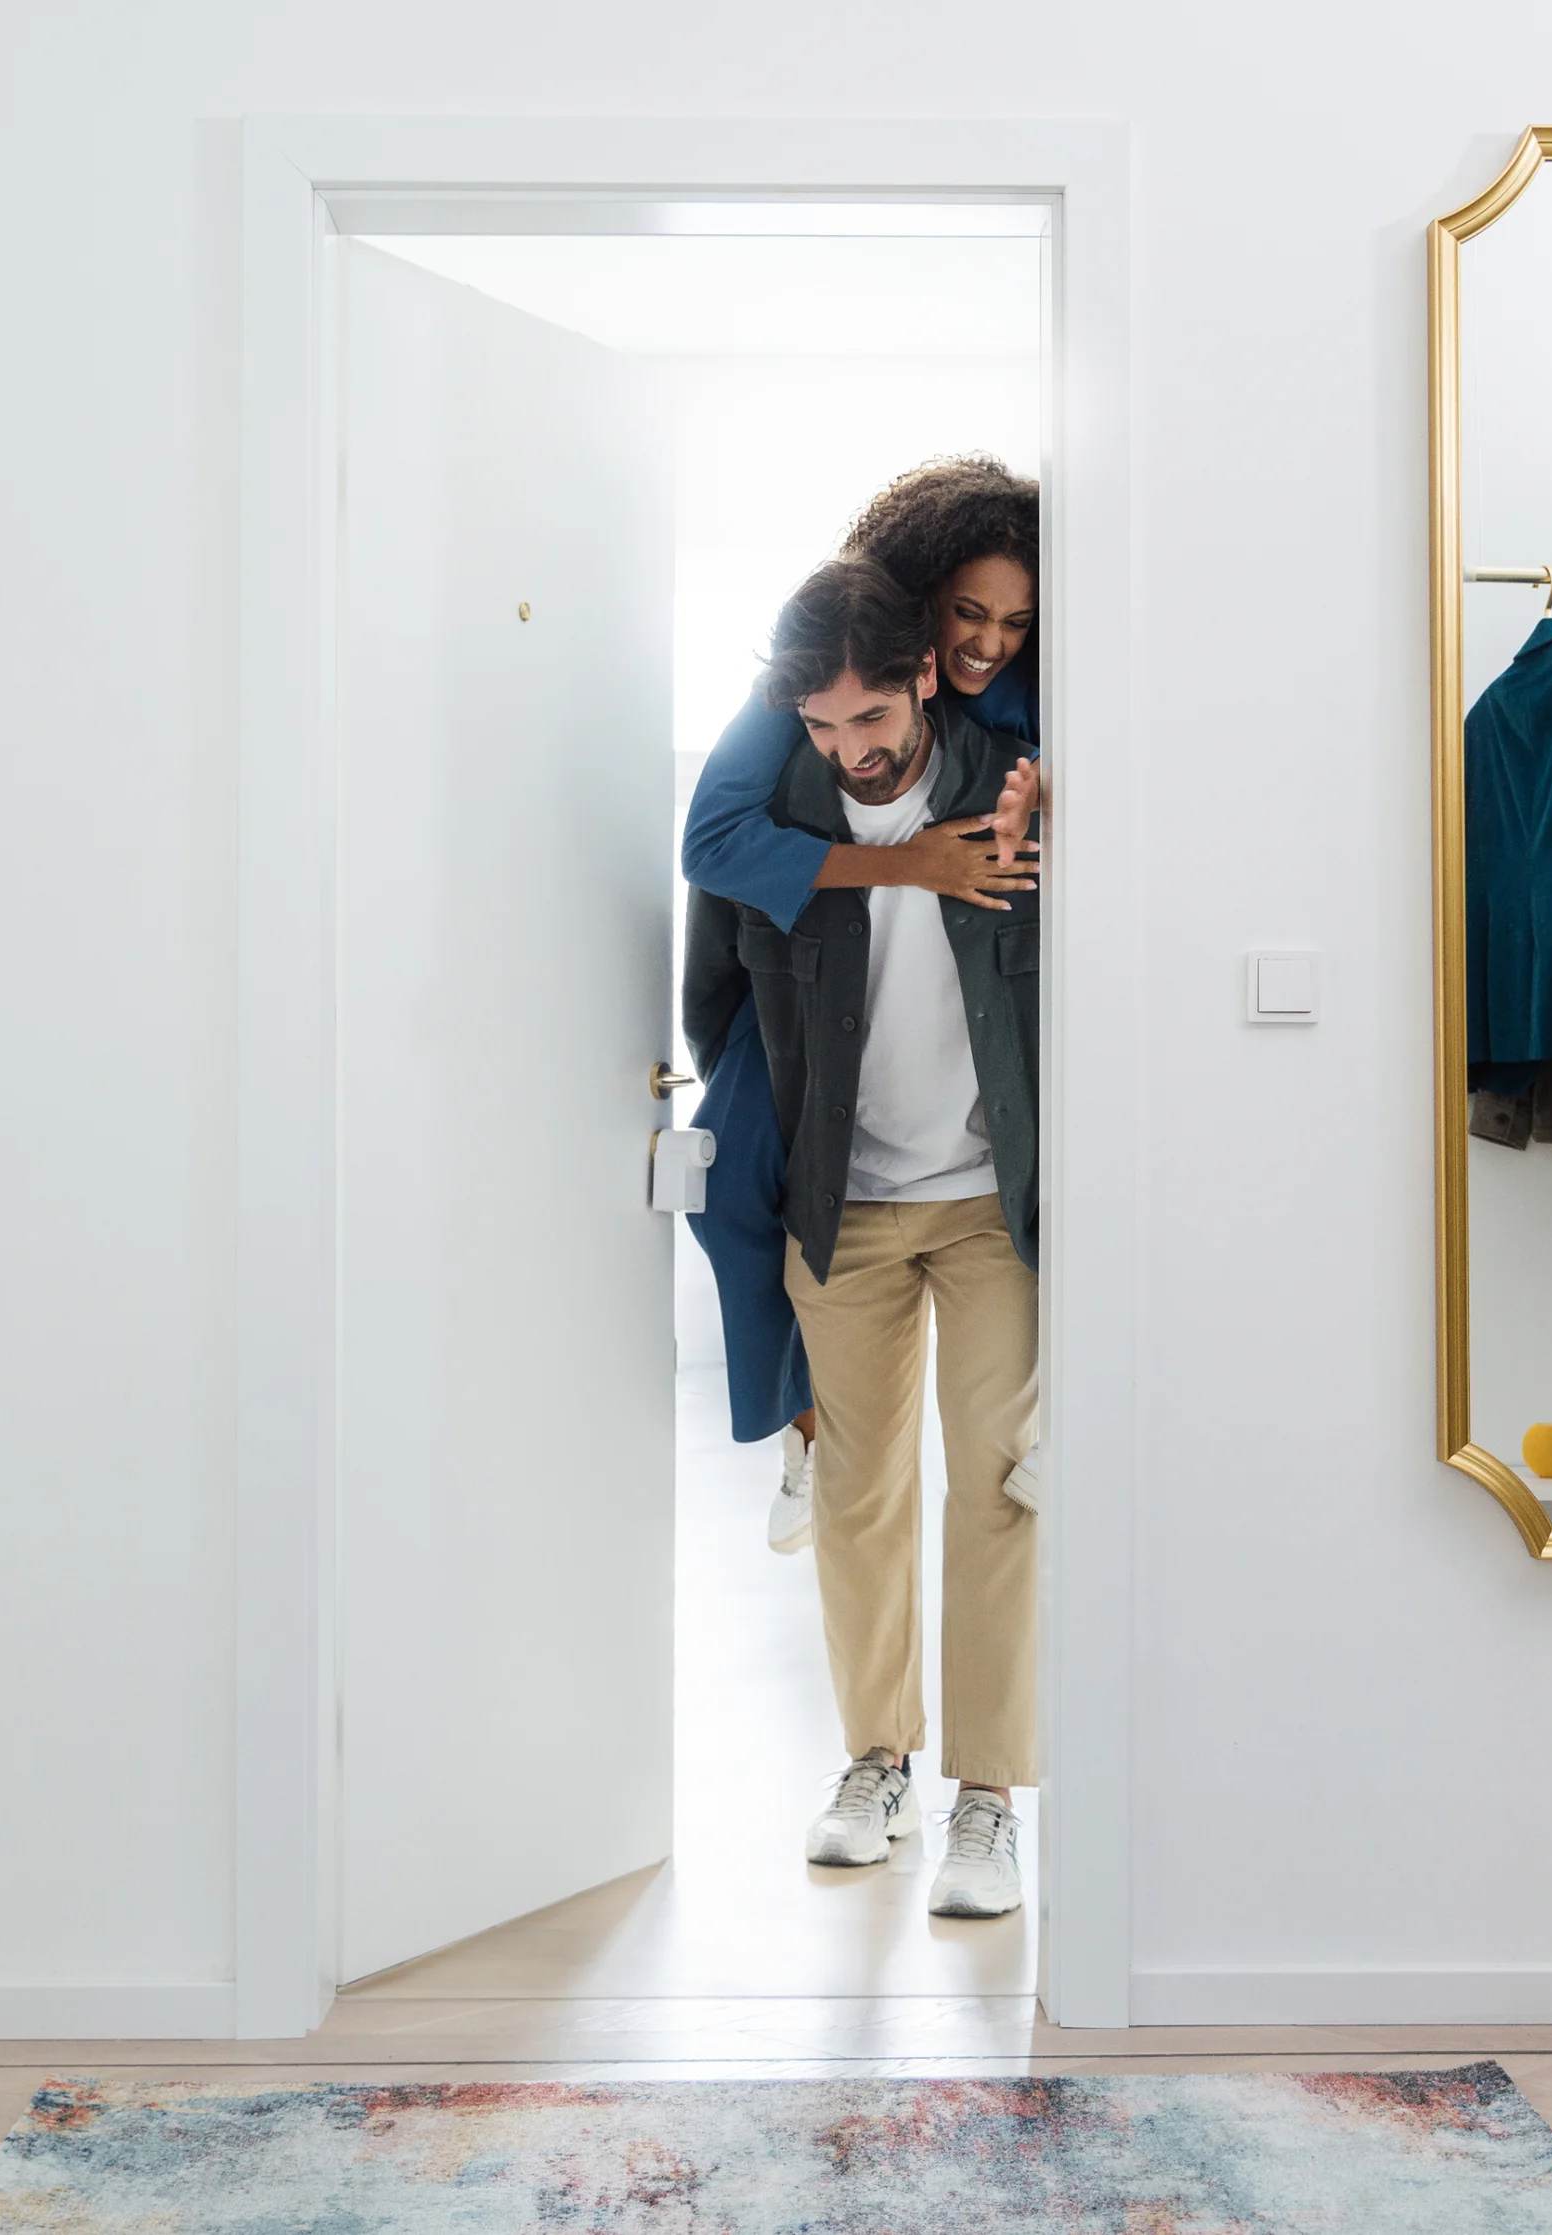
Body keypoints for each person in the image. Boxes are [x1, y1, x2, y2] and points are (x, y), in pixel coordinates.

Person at [701, 558, 1042, 1921]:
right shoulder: (775, 806)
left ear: (919, 675)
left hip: (984, 1198)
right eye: (823, 726)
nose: (850, 747)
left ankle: (989, 1798)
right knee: (857, 1496)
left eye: (869, 719)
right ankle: (875, 1764)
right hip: (841, 1197)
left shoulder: (1012, 775)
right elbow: (711, 985)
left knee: (999, 1487)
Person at [679, 459, 1045, 1557]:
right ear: (919, 615)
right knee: (726, 1184)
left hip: (961, 1060)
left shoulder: (1024, 691)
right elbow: (710, 842)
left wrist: (1040, 780)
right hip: (792, 990)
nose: (988, 642)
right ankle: (801, 1432)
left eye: (1014, 622)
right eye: (967, 612)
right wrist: (905, 867)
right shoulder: (812, 682)